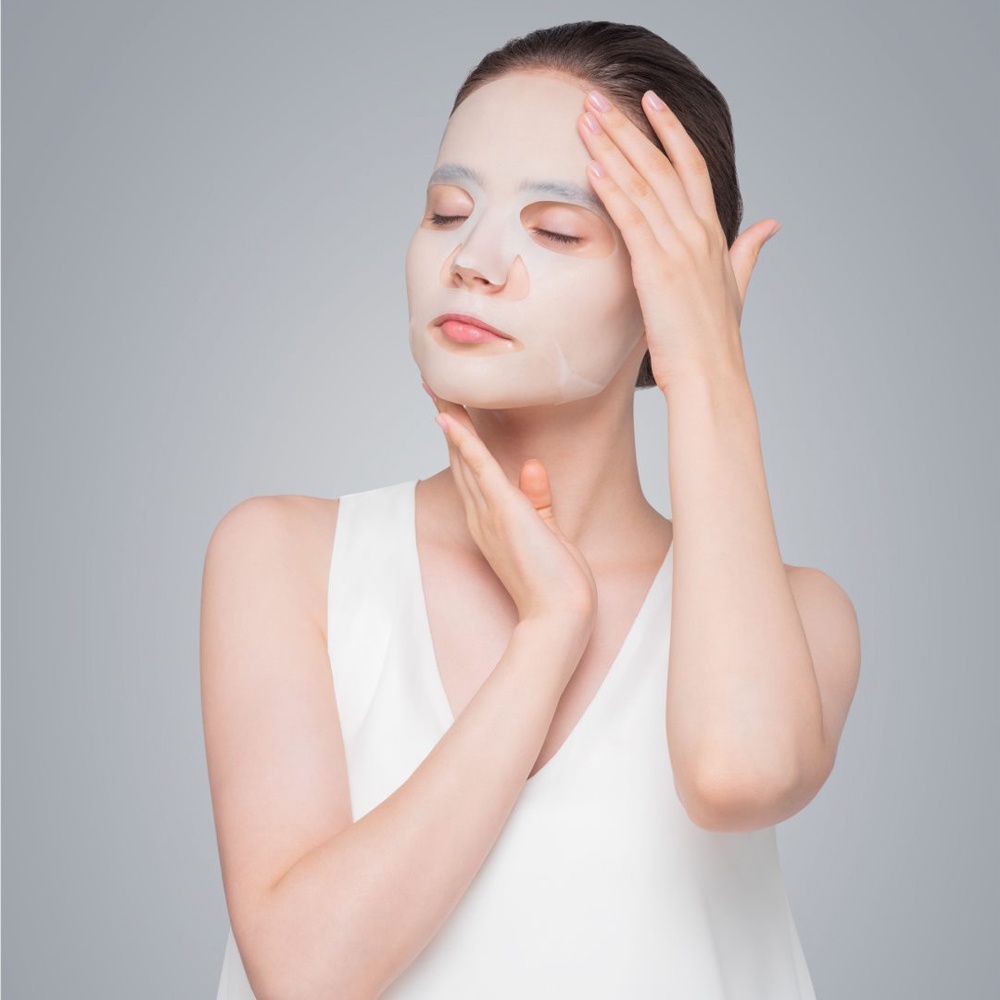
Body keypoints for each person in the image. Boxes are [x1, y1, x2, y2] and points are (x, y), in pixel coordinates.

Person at [203, 20, 861, 1000]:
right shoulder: (286, 558)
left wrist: (710, 370)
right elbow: (305, 971)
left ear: (664, 294)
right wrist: (549, 631)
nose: (472, 258)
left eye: (555, 231)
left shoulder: (800, 617)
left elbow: (740, 775)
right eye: (447, 211)